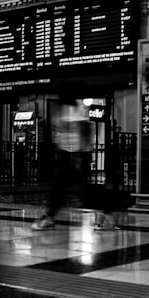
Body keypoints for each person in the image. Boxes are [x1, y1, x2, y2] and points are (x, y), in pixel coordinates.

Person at [31, 91, 116, 231]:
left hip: (75, 157)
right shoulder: (66, 110)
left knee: (78, 190)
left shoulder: (75, 109)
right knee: (67, 190)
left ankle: (105, 211)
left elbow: (81, 135)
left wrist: (79, 159)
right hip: (70, 156)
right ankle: (105, 211)